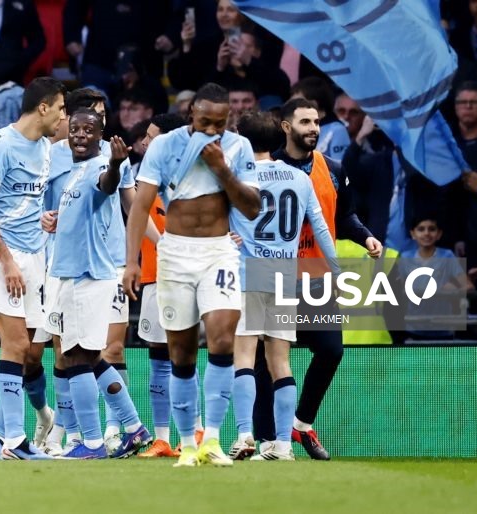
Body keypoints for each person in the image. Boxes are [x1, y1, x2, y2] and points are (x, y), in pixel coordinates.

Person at [123, 82, 261, 467]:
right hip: (175, 254)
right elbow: (141, 206)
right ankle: (186, 444)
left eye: (219, 123)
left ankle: (213, 440)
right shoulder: (165, 146)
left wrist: (223, 170)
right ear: (190, 117)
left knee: (221, 339)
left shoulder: (238, 148)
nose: (212, 131)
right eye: (205, 123)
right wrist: (131, 261)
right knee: (180, 353)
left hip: (219, 252)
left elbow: (252, 208)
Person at [253, 98, 383, 461]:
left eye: (316, 121)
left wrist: (365, 236)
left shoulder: (334, 169)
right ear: (285, 126)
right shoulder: (266, 167)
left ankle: (302, 423)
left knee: (330, 351)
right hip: (274, 275)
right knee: (268, 360)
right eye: (305, 121)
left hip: (317, 277)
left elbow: (344, 217)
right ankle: (265, 438)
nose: (313, 127)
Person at [229, 111, 339, 461]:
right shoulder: (297, 177)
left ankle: (245, 435)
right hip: (284, 275)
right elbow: (321, 229)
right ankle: (282, 445)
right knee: (281, 362)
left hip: (249, 272)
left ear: (243, 142)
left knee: (245, 357)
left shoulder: (235, 178)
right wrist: (337, 270)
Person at [41, 109, 146, 459]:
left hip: (88, 276)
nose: (81, 135)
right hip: (72, 275)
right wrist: (57, 219)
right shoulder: (74, 172)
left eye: (89, 130)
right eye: (75, 129)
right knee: (91, 359)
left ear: (101, 136)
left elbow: (108, 185)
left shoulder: (101, 165)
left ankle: (90, 442)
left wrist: (116, 165)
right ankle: (133, 427)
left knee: (76, 360)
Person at [0, 76, 66, 460]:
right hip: (1, 257)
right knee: (15, 343)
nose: (63, 117)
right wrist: (7, 260)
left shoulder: (45, 147)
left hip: (34, 256)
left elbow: (24, 202)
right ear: (43, 107)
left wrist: (47, 220)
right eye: (60, 108)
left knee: (28, 352)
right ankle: (15, 442)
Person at [134, 112, 191, 459]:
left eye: (152, 136)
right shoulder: (143, 177)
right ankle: (161, 439)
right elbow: (137, 219)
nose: (144, 142)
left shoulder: (193, 176)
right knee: (158, 355)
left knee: (186, 356)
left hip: (188, 276)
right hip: (154, 276)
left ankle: (193, 433)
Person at [394, 216, 477, 341]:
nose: (426, 233)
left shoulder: (447, 256)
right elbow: (396, 289)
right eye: (421, 229)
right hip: (413, 328)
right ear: (413, 234)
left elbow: (469, 286)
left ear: (439, 234)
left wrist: (454, 289)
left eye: (431, 229)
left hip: (443, 328)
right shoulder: (405, 258)